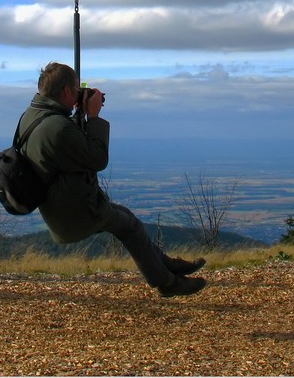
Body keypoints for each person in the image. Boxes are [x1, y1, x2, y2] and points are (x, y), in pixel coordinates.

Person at [19, 61, 207, 298]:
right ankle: (167, 283)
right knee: (131, 227)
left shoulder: (32, 116)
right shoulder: (57, 127)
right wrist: (94, 117)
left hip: (58, 206)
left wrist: (78, 115)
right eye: (77, 89)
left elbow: (65, 153)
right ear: (66, 91)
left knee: (126, 217)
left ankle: (166, 265)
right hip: (75, 214)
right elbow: (97, 159)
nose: (80, 93)